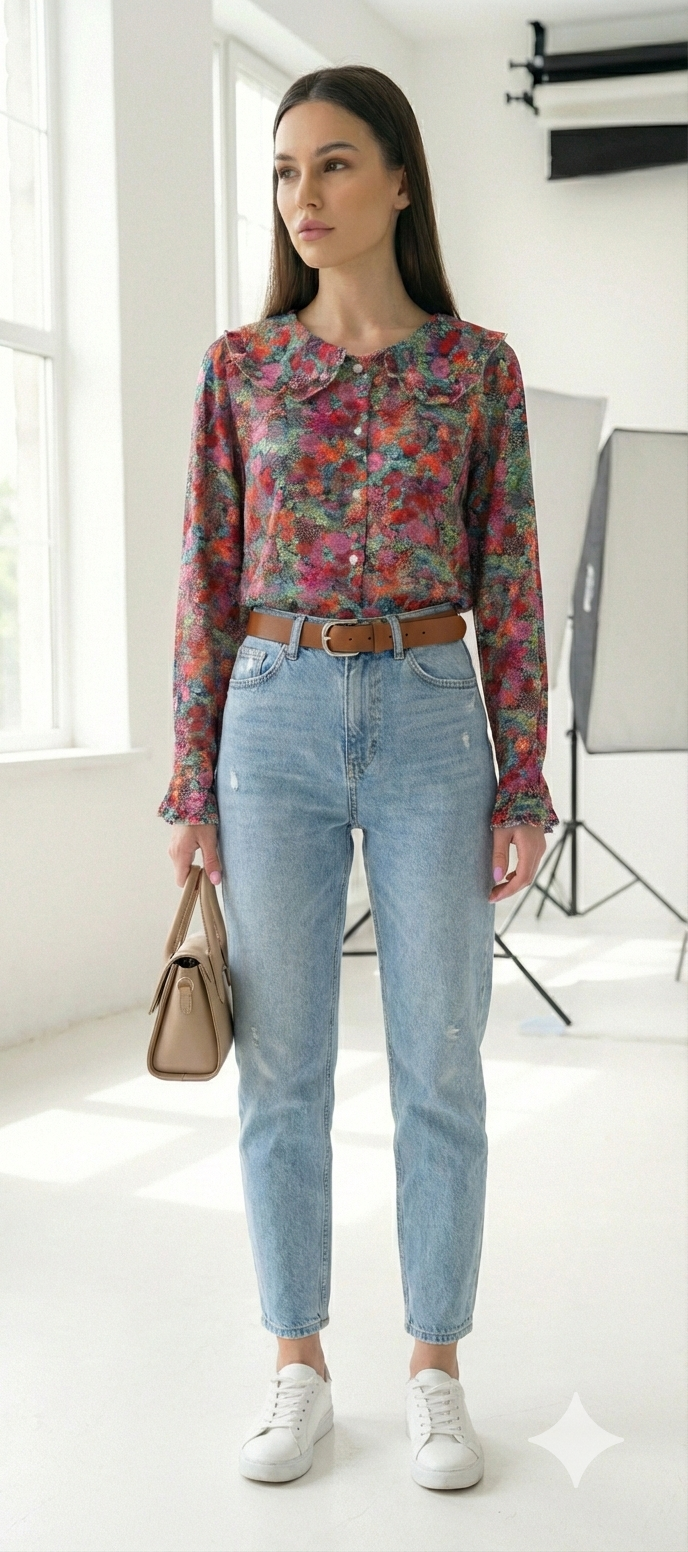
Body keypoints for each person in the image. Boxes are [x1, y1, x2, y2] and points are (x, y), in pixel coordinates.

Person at [159, 64, 558, 1491]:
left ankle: (436, 1367)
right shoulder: (242, 368)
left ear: (398, 179)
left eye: (332, 164)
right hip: (270, 716)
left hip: (435, 714)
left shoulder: (478, 370)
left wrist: (524, 782)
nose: (303, 196)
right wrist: (190, 784)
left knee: (441, 1056)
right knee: (283, 1067)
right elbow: (207, 578)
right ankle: (299, 1364)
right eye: (284, 171)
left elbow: (509, 581)